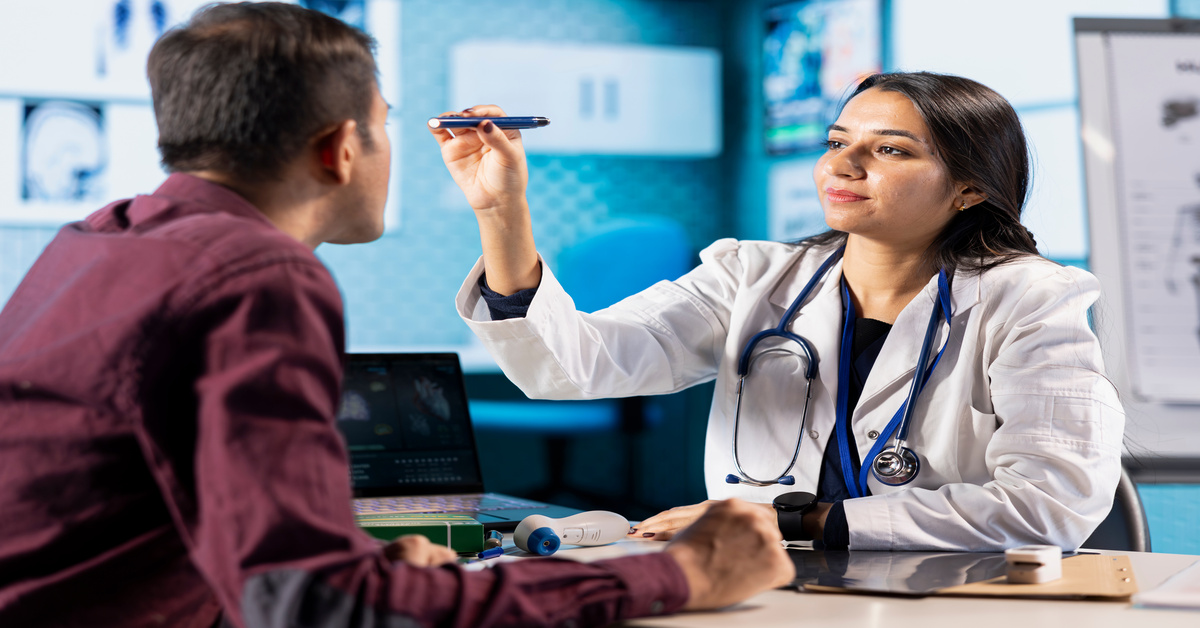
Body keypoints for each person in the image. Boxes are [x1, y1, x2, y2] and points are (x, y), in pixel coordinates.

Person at [0, 4, 792, 627]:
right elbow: (315, 606)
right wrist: (678, 574)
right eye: (382, 129)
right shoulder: (257, 274)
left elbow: (230, 550)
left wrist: (359, 571)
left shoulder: (101, 238)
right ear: (340, 149)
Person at [433, 71, 1125, 552]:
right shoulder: (754, 278)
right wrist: (501, 211)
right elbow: (571, 367)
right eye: (836, 141)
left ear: (971, 189)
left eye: (889, 150)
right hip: (772, 585)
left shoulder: (1030, 301)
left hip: (954, 593)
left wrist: (805, 522)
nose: (843, 164)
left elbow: (1048, 506)